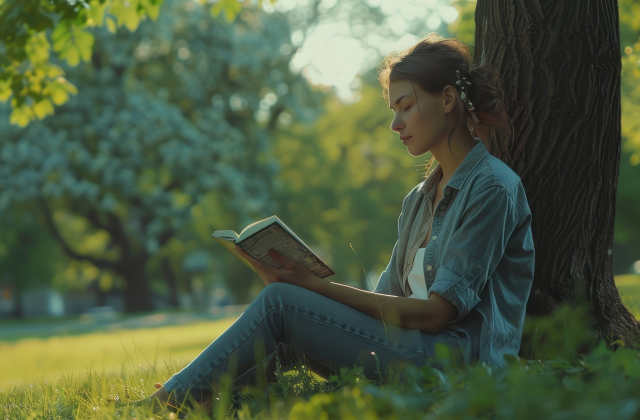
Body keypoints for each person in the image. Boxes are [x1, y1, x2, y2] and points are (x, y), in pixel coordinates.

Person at [136, 33, 535, 416]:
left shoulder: (492, 188)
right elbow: (385, 304)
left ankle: (165, 405)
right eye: (393, 110)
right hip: (408, 351)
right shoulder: (418, 200)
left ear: (447, 99)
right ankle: (194, 400)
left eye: (406, 106)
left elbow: (436, 315)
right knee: (284, 327)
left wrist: (314, 290)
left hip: (454, 368)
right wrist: (306, 288)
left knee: (283, 305)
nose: (395, 123)